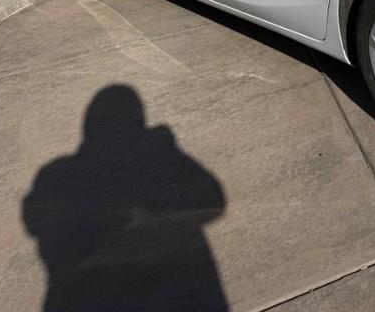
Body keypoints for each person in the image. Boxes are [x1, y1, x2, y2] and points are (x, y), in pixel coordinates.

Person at [22, 85, 228, 311]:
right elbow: (212, 199)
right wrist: (166, 147)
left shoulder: (57, 173)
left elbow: (35, 220)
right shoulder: (61, 174)